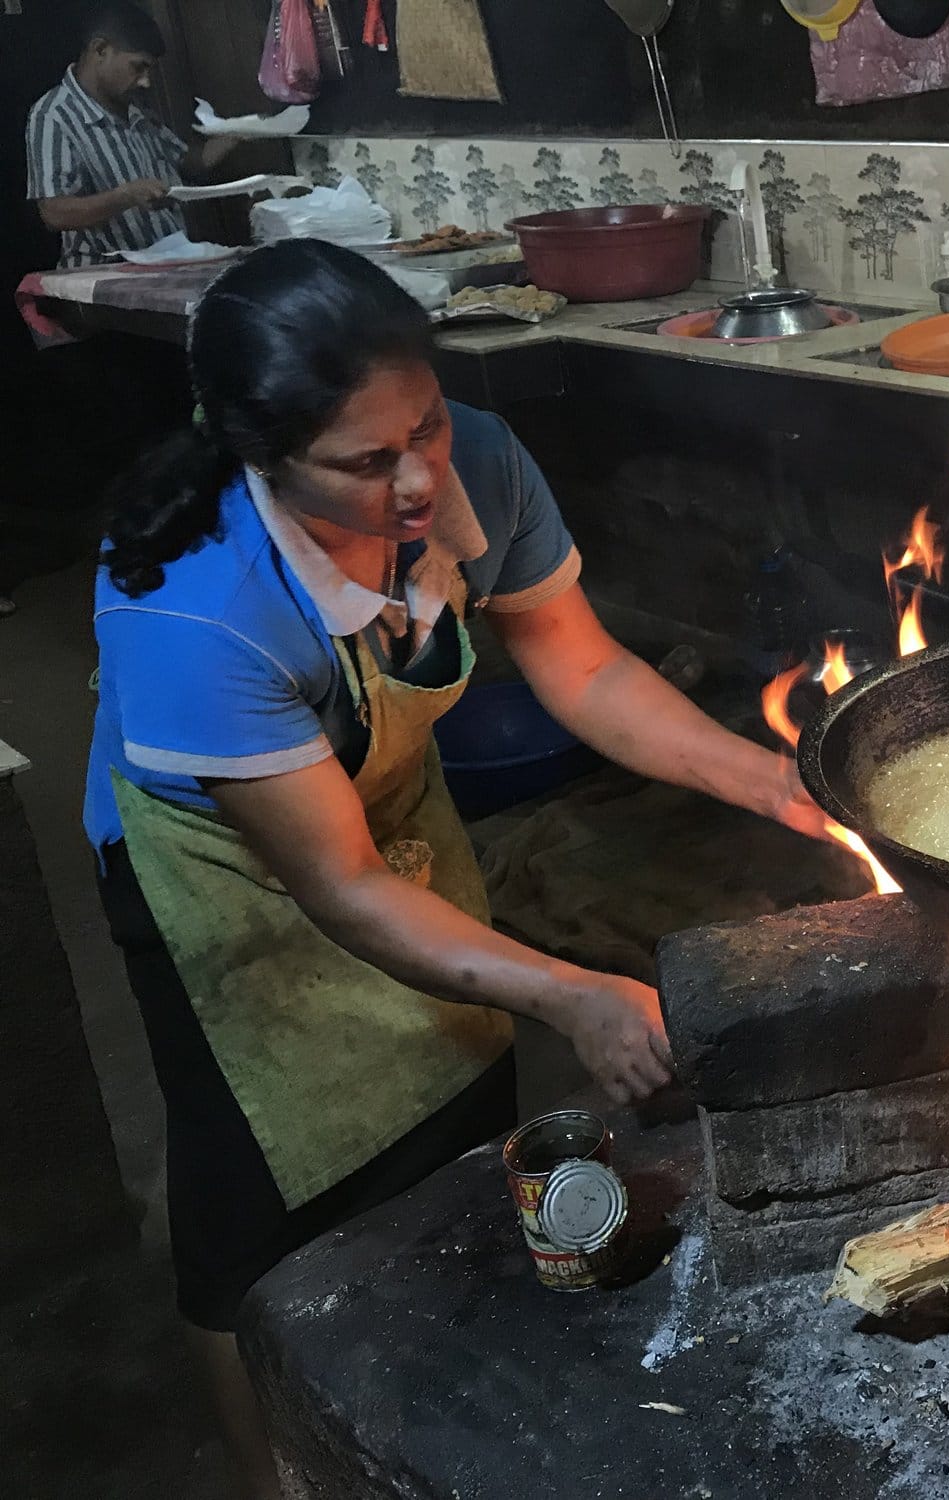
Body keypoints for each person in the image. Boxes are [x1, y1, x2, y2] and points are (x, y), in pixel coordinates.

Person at [88, 239, 825, 1497]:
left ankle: (439, 1411)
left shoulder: (474, 456)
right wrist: (570, 991)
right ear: (261, 451)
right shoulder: (194, 605)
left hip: (384, 816)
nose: (421, 475)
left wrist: (771, 779)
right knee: (260, 1230)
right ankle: (283, 1473)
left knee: (455, 1130)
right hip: (224, 883)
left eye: (422, 423)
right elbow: (343, 892)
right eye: (368, 462)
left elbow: (582, 668)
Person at [25, 3, 243, 266]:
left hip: (167, 262)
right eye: (138, 67)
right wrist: (125, 196)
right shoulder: (54, 115)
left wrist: (240, 132)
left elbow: (190, 160)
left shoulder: (136, 110)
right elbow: (54, 212)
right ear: (100, 50)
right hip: (105, 277)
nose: (145, 81)